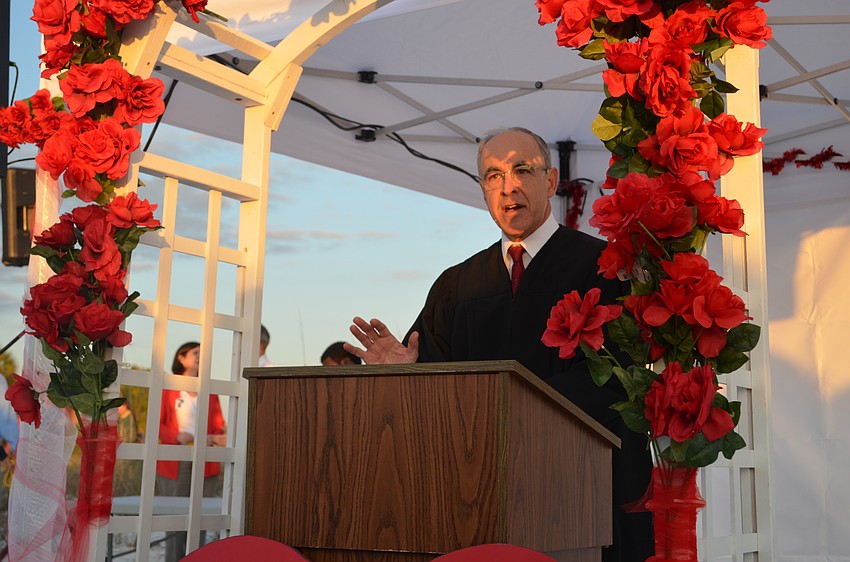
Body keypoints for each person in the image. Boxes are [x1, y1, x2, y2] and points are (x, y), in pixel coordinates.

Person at [345, 127, 653, 562]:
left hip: (578, 496)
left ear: (550, 181)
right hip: (479, 496)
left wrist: (507, 408)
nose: (508, 187)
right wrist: (408, 371)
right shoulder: (458, 284)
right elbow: (437, 392)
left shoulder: (602, 268)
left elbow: (620, 382)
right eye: (492, 176)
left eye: (522, 170)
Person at [156, 342, 227, 562]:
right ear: (181, 358)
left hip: (205, 459)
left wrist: (219, 434)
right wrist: (174, 436)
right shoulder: (168, 387)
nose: (200, 357)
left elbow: (218, 424)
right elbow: (155, 425)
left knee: (201, 518)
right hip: (175, 459)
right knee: (175, 518)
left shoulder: (210, 389)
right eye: (195, 353)